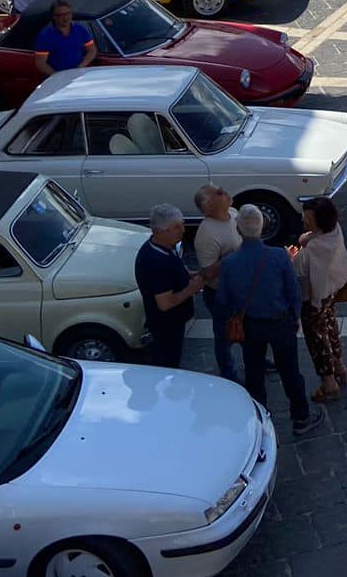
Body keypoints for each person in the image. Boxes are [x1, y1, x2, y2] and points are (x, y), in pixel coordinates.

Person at [218, 205, 324, 434]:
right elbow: (293, 291)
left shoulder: (228, 264)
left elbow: (224, 300)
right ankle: (301, 418)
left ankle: (262, 424)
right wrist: (294, 317)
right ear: (263, 226)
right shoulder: (277, 256)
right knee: (290, 372)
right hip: (280, 323)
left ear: (238, 229)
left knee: (254, 375)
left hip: (250, 326)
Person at [292, 197, 347, 403]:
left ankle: (329, 383)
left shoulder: (315, 248)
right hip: (331, 292)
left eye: (308, 217)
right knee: (330, 326)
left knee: (317, 339)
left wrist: (292, 254)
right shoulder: (333, 231)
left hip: (314, 299)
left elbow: (298, 268)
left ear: (319, 220)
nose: (304, 219)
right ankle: (339, 366)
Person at [135, 204, 205, 369]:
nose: (183, 230)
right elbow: (165, 303)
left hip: (173, 322)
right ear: (160, 231)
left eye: (182, 224)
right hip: (166, 326)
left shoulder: (164, 246)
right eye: (176, 227)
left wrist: (190, 274)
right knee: (168, 363)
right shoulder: (157, 262)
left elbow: (175, 270)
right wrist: (192, 288)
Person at [191, 184, 243, 381]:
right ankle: (228, 375)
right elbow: (208, 273)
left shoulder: (233, 213)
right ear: (209, 206)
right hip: (222, 295)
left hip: (242, 290)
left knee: (249, 328)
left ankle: (258, 361)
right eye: (219, 192)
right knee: (225, 337)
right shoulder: (206, 236)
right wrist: (236, 256)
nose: (224, 189)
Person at [32, 0, 97, 75]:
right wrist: (58, 76)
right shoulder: (45, 36)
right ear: (54, 17)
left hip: (78, 77)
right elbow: (41, 64)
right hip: (58, 81)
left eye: (68, 13)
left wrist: (81, 67)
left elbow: (92, 50)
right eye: (61, 15)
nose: (66, 17)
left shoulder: (80, 29)